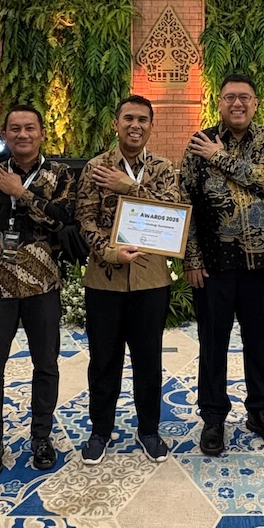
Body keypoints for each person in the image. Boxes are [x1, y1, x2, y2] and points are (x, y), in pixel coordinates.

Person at [181, 73, 264, 456]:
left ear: (256, 103)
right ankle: (213, 417)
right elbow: (186, 202)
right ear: (219, 103)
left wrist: (219, 157)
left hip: (262, 264)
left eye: (244, 97)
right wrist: (191, 257)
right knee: (213, 343)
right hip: (213, 264)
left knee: (258, 342)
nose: (237, 103)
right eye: (230, 97)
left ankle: (259, 411)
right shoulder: (198, 143)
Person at [0, 105, 73, 476]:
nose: (22, 134)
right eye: (15, 129)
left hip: (43, 286)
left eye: (29, 128)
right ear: (5, 135)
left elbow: (63, 222)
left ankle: (41, 437)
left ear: (41, 133)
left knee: (46, 366)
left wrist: (21, 194)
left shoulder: (59, 175)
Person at [75, 95, 180, 464]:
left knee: (148, 359)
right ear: (116, 123)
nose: (135, 126)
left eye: (142, 120)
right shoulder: (95, 167)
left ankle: (148, 429)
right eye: (129, 118)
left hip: (151, 280)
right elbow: (85, 218)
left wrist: (129, 187)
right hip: (104, 279)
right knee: (104, 360)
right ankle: (100, 431)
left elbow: (173, 213)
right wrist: (110, 252)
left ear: (151, 126)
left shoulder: (163, 168)